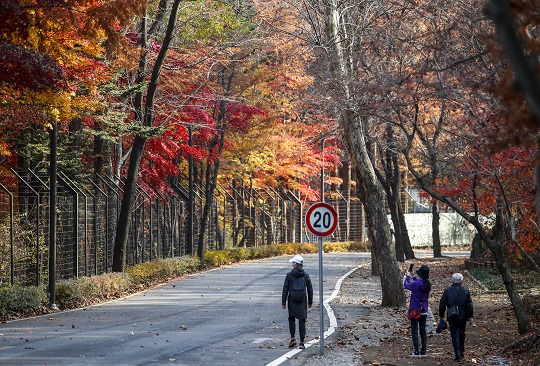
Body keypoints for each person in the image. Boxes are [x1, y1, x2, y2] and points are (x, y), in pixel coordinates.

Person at [439, 273, 474, 362]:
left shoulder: (447, 291)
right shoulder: (466, 291)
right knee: (462, 333)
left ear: (452, 280)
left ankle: (457, 354)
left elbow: (442, 303)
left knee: (454, 334)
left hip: (452, 315)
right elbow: (469, 304)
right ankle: (461, 351)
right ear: (461, 281)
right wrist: (471, 316)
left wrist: (441, 315)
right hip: (463, 316)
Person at [282, 255, 313, 349]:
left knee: (291, 319)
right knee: (302, 320)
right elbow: (310, 289)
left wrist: (283, 302)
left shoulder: (289, 275)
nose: (292, 264)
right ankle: (302, 342)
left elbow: (285, 289)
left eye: (293, 262)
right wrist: (310, 301)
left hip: (292, 300)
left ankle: (292, 339)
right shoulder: (305, 275)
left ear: (295, 264)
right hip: (302, 301)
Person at [403, 264, 432, 358]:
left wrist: (407, 276)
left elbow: (406, 285)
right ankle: (423, 351)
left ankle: (416, 351)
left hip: (415, 310)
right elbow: (418, 283)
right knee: (423, 331)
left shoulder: (416, 284)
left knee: (415, 331)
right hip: (424, 310)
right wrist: (413, 276)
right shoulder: (427, 285)